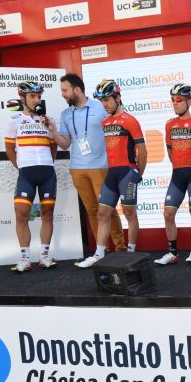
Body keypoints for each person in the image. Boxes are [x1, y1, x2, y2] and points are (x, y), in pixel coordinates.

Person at [47, 73, 125, 253]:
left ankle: (120, 248)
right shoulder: (66, 114)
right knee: (91, 210)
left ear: (77, 90)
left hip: (101, 166)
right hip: (77, 168)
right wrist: (52, 131)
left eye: (65, 90)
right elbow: (65, 144)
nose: (63, 94)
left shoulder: (100, 107)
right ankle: (101, 251)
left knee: (108, 210)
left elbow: (117, 128)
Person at [75, 80, 147, 268]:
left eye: (107, 100)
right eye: (101, 101)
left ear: (118, 97)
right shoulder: (105, 122)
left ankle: (131, 252)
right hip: (112, 173)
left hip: (127, 172)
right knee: (102, 213)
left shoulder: (130, 120)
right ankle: (99, 253)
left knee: (130, 213)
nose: (104, 104)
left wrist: (139, 173)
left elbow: (142, 149)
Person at [154, 83, 191, 266]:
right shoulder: (169, 124)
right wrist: (178, 165)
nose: (175, 103)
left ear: (189, 101)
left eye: (178, 100)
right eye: (172, 100)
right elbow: (170, 150)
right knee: (168, 213)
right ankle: (172, 253)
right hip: (178, 174)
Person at [3, 81, 58, 273]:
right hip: (26, 173)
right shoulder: (14, 120)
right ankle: (25, 259)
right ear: (23, 98)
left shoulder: (48, 120)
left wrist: (47, 163)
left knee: (47, 214)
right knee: (21, 214)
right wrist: (21, 167)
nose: (37, 100)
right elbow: (9, 148)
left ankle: (44, 256)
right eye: (33, 96)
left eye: (39, 96)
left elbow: (53, 146)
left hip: (47, 173)